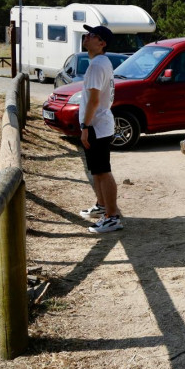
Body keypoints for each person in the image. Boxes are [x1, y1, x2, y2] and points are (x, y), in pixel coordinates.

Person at [77, 24, 123, 233]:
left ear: (102, 43)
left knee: (103, 171)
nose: (86, 37)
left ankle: (112, 217)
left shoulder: (97, 65)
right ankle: (102, 206)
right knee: (97, 171)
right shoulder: (101, 62)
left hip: (97, 125)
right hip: (98, 124)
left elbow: (94, 100)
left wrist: (85, 126)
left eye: (91, 35)